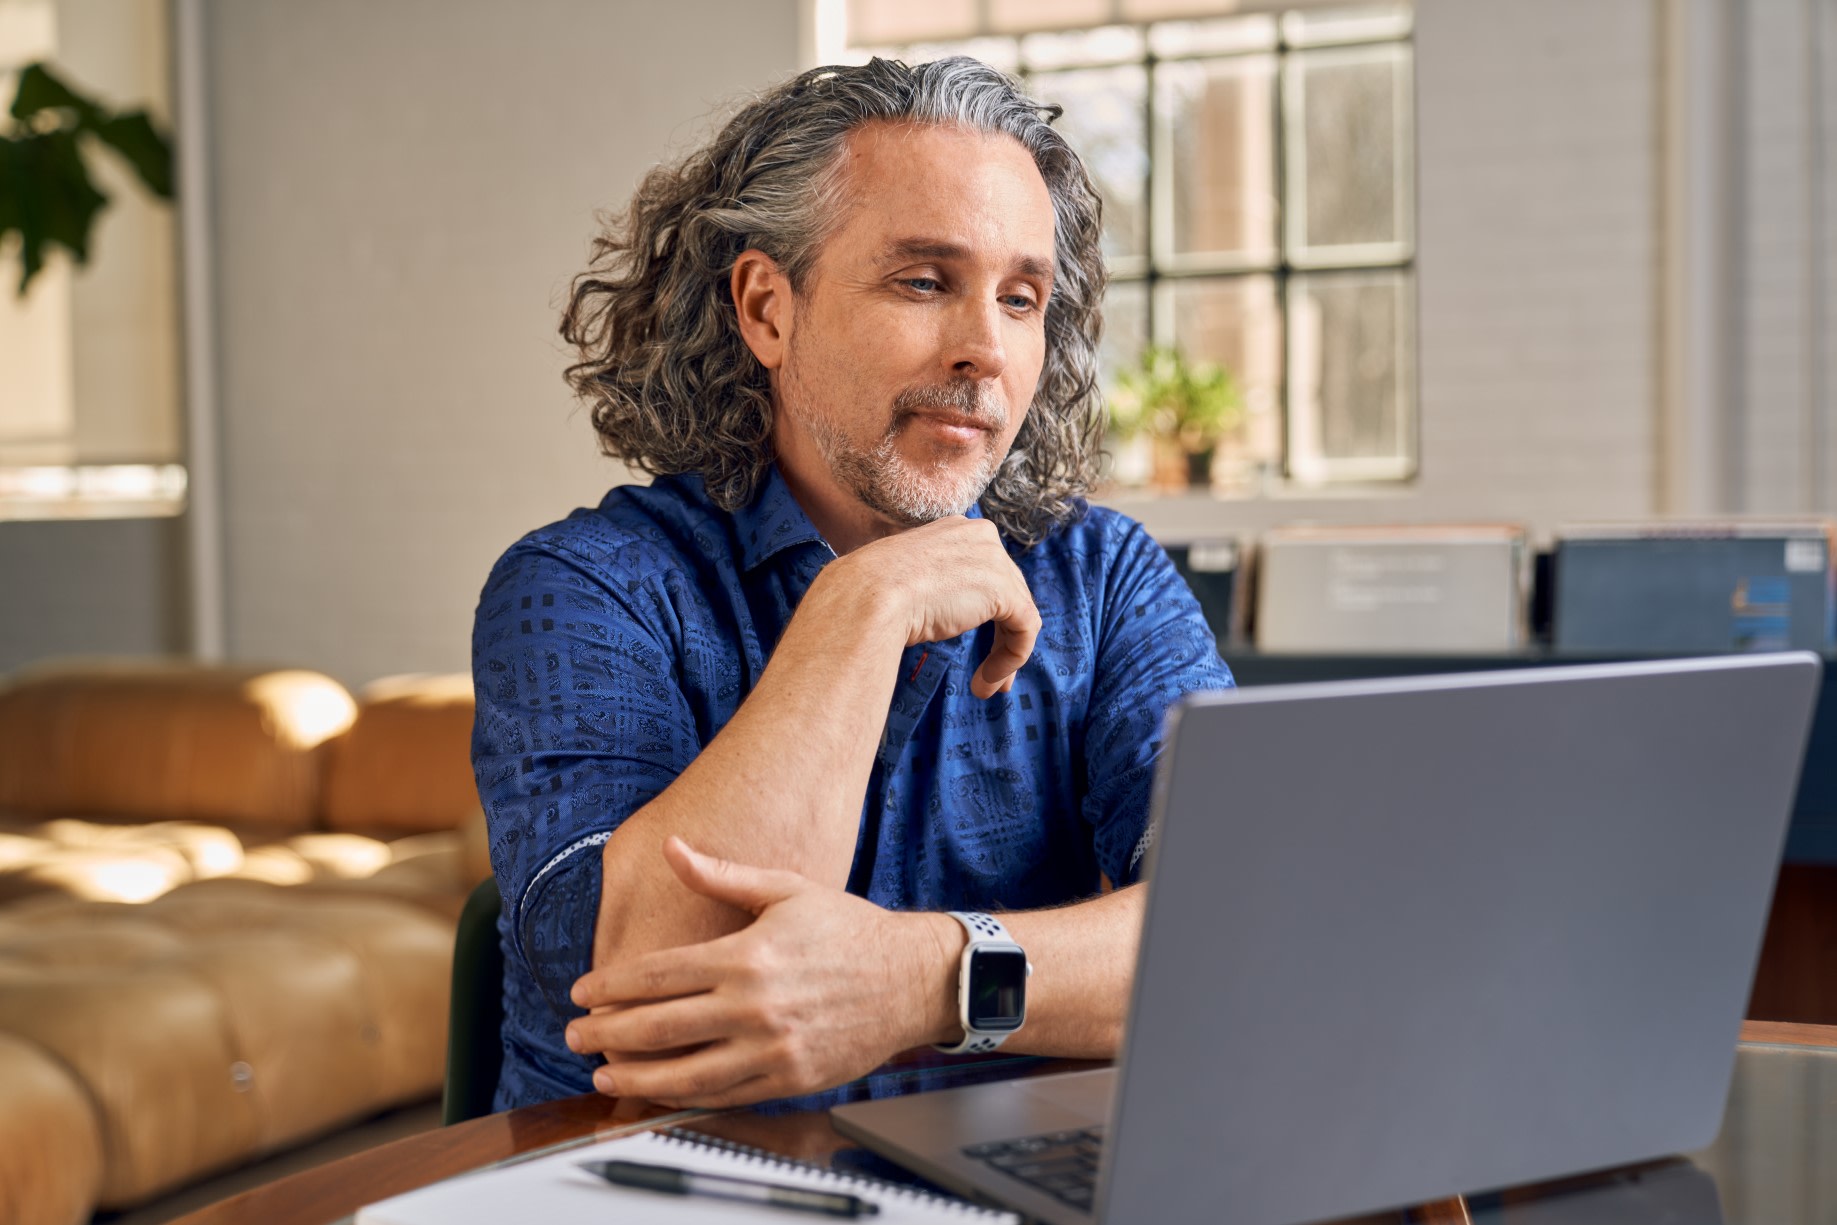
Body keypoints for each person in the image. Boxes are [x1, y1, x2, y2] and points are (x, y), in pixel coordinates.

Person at [471, 56, 1233, 1113]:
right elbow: (661, 986)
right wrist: (862, 606)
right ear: (766, 310)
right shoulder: (586, 588)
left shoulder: (1099, 578)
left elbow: (1250, 930)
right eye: (924, 281)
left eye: (1020, 299)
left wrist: (928, 979)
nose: (984, 351)